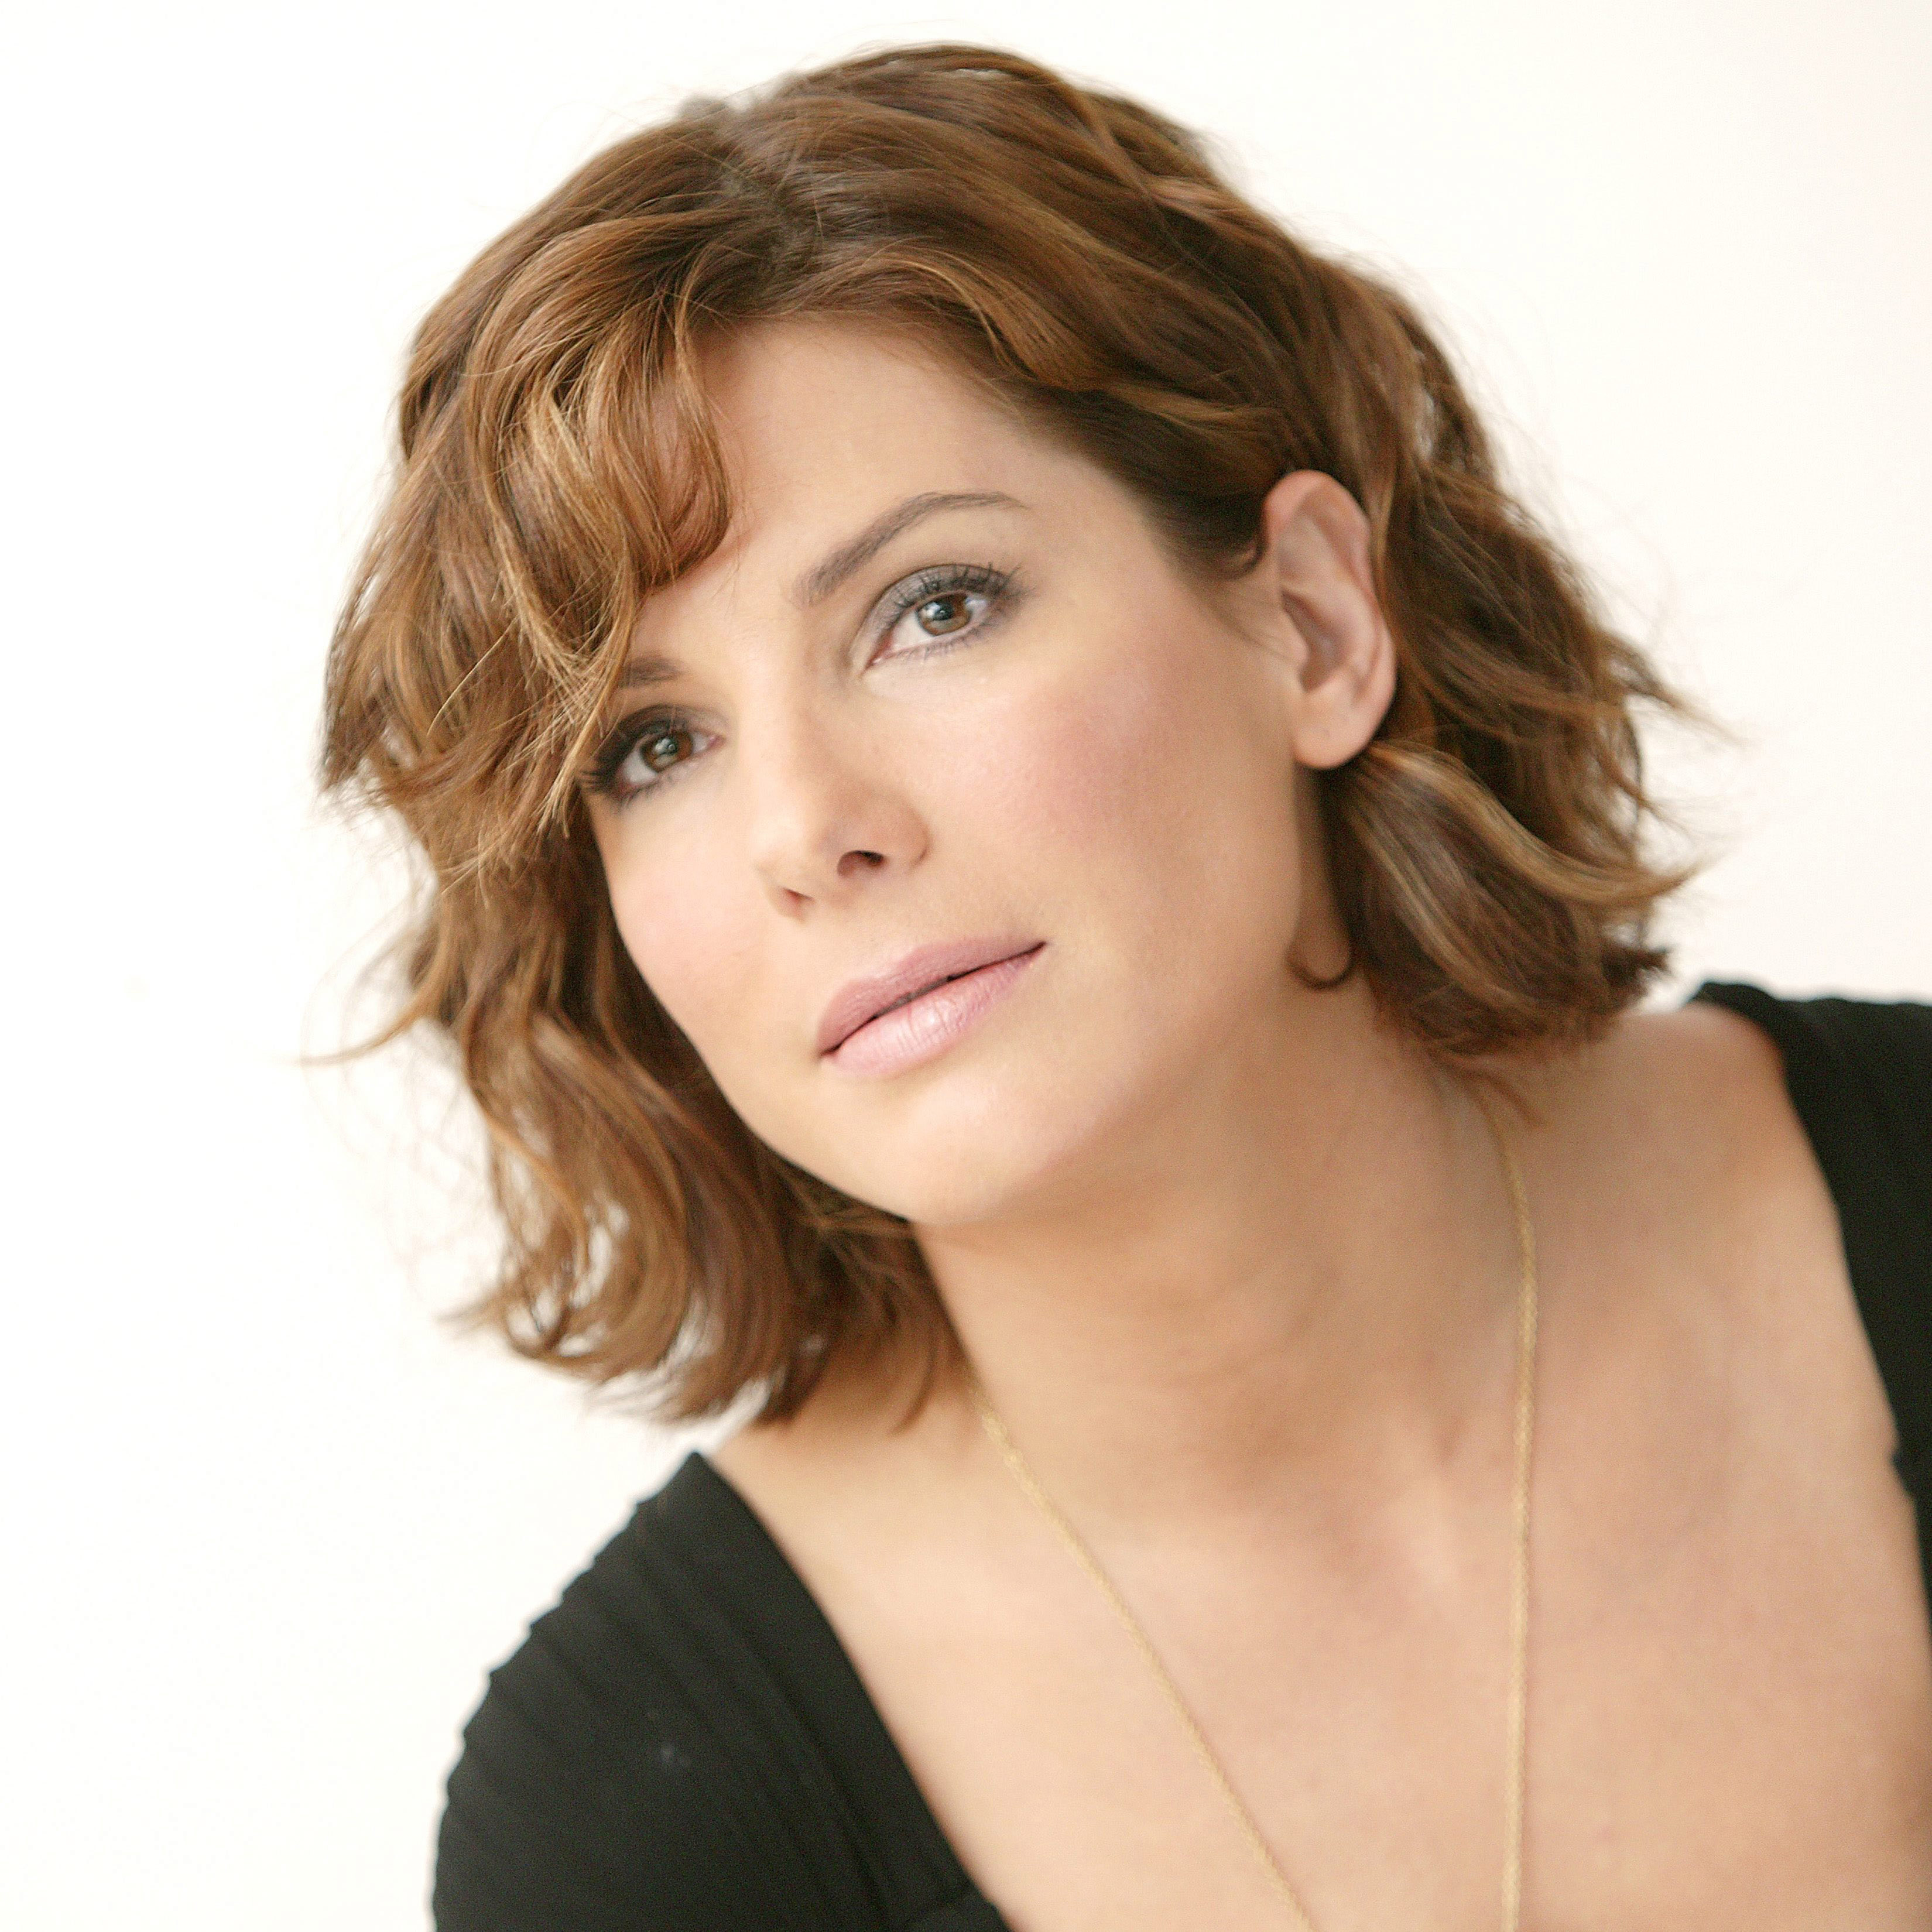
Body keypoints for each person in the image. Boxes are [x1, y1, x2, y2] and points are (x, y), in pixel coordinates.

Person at [321, 42, 1932, 1931]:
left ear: (1309, 622)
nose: (805, 829)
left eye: (932, 608)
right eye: (650, 745)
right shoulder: (647, 1835)